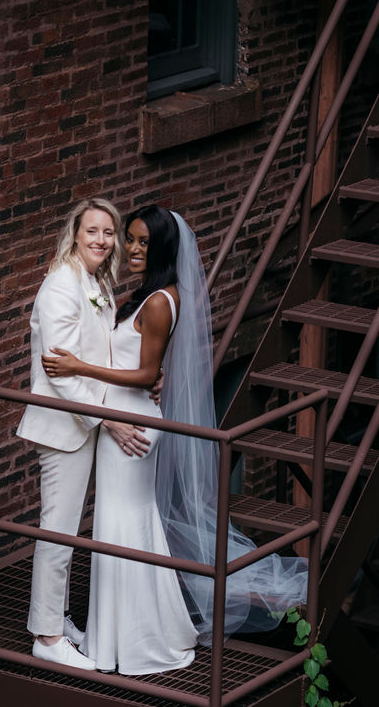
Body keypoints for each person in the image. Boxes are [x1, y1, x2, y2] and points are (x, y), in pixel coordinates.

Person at [43, 207, 308, 675]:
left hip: (132, 422)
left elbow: (144, 373)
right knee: (123, 524)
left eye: (144, 242)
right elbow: (143, 367)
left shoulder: (161, 301)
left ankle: (133, 642)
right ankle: (126, 633)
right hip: (123, 413)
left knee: (124, 525)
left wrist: (79, 368)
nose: (134, 249)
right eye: (133, 240)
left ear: (165, 247)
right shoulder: (146, 296)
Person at [17, 197, 124, 671]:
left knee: (70, 533)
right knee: (56, 534)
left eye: (109, 232)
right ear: (75, 234)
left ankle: (59, 616)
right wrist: (108, 416)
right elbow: (59, 369)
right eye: (93, 231)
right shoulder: (62, 285)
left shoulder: (96, 282)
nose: (101, 240)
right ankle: (46, 635)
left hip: (85, 423)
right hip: (65, 427)